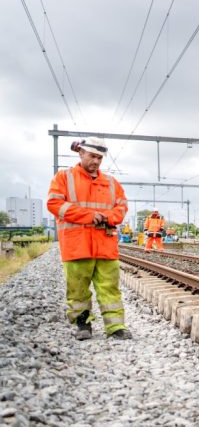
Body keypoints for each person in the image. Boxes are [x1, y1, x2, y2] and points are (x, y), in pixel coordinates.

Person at [46, 138, 132, 340]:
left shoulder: (111, 183)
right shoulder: (64, 177)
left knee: (110, 288)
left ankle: (116, 327)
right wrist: (89, 215)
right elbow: (54, 204)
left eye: (99, 157)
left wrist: (108, 217)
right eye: (92, 156)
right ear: (81, 153)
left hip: (105, 244)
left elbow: (121, 208)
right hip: (77, 245)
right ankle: (83, 324)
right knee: (78, 288)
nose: (96, 161)